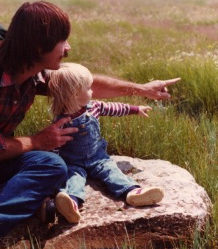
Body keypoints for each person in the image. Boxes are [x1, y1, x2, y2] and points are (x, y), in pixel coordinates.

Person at [0, 1, 180, 249]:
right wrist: (39, 141)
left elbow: (83, 85)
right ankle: (32, 204)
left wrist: (141, 90)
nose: (68, 48)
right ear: (37, 47)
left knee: (53, 166)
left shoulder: (31, 72)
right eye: (61, 41)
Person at [48, 62, 165, 224]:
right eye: (88, 88)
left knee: (111, 171)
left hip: (97, 156)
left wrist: (135, 109)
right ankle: (71, 203)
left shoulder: (93, 107)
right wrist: (54, 168)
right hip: (72, 161)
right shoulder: (61, 122)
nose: (93, 91)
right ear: (74, 94)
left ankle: (133, 192)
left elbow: (113, 108)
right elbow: (54, 146)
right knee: (74, 179)